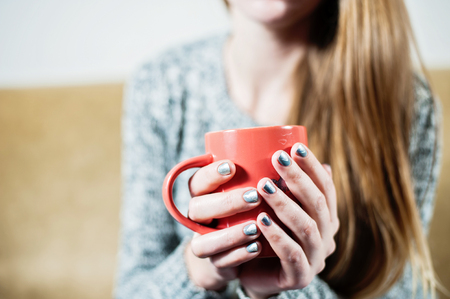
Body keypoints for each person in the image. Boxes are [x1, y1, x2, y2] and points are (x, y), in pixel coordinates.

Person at [115, 0, 442, 298]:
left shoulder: (404, 102)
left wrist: (282, 290)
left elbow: (404, 292)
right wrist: (199, 268)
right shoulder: (163, 84)